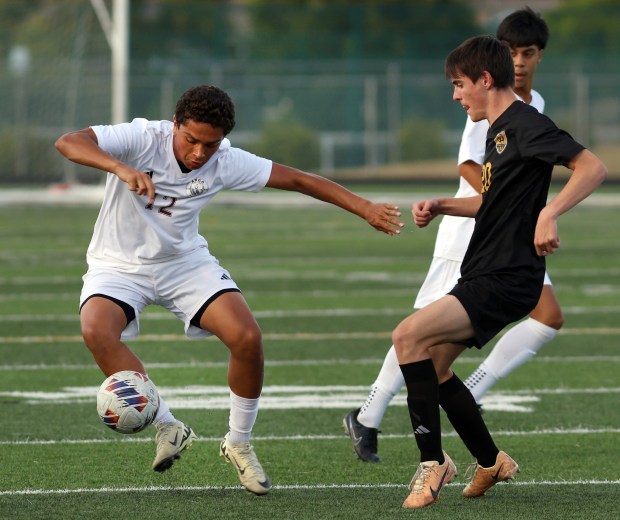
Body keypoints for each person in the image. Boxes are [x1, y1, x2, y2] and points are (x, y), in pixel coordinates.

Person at [54, 85, 404, 496]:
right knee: (96, 330)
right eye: (192, 140)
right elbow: (68, 142)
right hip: (117, 265)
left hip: (184, 264)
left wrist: (363, 207)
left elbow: (297, 179)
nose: (200, 152)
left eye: (211, 143)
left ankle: (239, 442)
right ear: (175, 125)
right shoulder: (141, 137)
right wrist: (120, 168)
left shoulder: (224, 160)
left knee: (247, 337)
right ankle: (168, 425)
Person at [396, 35, 606, 509]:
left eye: (458, 85)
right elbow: (495, 201)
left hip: (507, 275)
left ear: (484, 80)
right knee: (434, 367)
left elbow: (591, 167)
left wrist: (550, 213)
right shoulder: (497, 130)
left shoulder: (527, 124)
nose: (455, 95)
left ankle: (433, 463)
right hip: (486, 270)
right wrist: (443, 203)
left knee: (407, 338)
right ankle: (491, 462)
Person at [343, 7, 558, 464]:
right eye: (510, 53)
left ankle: (460, 412)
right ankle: (370, 414)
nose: (519, 62)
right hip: (471, 230)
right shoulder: (483, 101)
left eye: (528, 53)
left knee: (544, 316)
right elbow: (467, 164)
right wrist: (497, 196)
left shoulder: (531, 108)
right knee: (419, 332)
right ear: (493, 64)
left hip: (508, 234)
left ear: (540, 56)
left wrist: (534, 208)